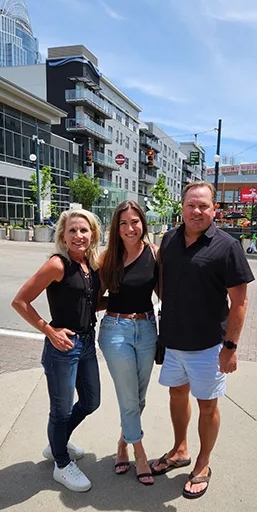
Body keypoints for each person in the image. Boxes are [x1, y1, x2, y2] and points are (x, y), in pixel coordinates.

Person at [150, 181, 254, 499]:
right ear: (181, 207)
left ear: (213, 209)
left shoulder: (227, 246)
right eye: (191, 205)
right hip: (172, 342)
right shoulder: (168, 240)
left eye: (204, 206)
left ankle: (203, 463)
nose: (197, 211)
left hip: (209, 346)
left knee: (208, 406)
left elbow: (239, 302)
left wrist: (230, 348)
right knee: (176, 396)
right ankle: (180, 449)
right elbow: (161, 285)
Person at [12, 209, 101, 492]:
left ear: (93, 234)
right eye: (72, 230)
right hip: (62, 348)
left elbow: (86, 303)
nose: (78, 235)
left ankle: (57, 444)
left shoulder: (90, 265)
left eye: (83, 230)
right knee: (60, 411)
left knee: (91, 401)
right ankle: (61, 463)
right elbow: (20, 301)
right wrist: (48, 330)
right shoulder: (57, 264)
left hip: (86, 344)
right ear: (63, 235)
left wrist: (118, 303)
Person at [98, 201, 158, 486]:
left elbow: (166, 294)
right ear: (116, 227)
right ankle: (139, 452)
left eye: (134, 222)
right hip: (115, 329)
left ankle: (122, 444)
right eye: (123, 223)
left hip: (147, 328)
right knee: (128, 397)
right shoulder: (107, 257)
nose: (130, 228)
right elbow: (93, 297)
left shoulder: (154, 255)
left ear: (142, 224)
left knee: (139, 397)